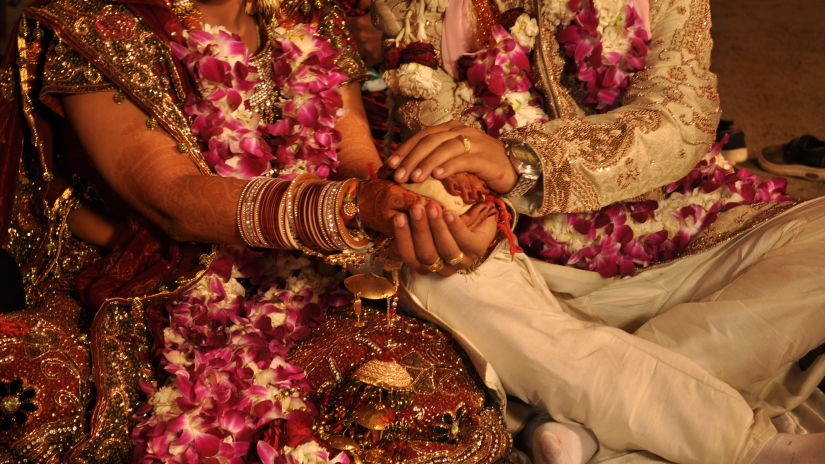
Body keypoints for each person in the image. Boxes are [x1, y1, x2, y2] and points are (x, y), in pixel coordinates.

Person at [0, 0, 509, 462]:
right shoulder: (95, 21)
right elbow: (172, 197)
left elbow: (355, 161)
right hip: (145, 278)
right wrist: (354, 207)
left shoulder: (310, 13)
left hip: (301, 274)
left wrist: (426, 198)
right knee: (31, 393)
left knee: (412, 402)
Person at [365, 0, 825, 463]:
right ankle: (751, 449)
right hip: (532, 283)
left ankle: (579, 412)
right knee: (424, 258)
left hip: (696, 247)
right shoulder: (415, 9)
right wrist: (465, 222)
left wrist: (526, 162)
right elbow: (441, 158)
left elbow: (683, 118)